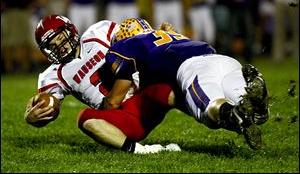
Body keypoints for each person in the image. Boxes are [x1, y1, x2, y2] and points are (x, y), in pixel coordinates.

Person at [103, 18, 270, 150]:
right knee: (250, 112)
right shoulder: (169, 35)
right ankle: (258, 105)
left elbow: (113, 101)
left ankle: (235, 112)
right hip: (223, 60)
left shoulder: (127, 45)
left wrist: (106, 116)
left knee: (210, 111)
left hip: (193, 68)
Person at [24, 15, 181, 154]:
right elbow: (51, 106)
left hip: (142, 94)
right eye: (51, 45)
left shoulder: (98, 32)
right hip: (118, 115)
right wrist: (33, 117)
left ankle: (204, 109)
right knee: (85, 119)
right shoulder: (51, 76)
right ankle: (144, 151)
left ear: (70, 30)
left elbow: (135, 39)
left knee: (176, 84)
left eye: (59, 37)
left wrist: (158, 35)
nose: (58, 45)